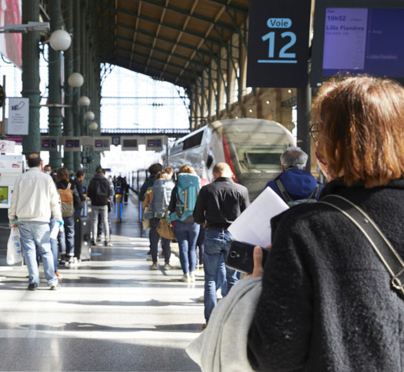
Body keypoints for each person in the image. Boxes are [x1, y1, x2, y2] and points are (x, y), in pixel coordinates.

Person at [247, 76, 404, 371]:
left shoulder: (303, 229)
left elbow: (275, 354)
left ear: (335, 144)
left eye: (319, 130)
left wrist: (253, 287)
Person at [193, 162, 249, 324]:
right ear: (230, 174)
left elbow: (197, 217)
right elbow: (247, 215)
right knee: (233, 279)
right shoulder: (241, 190)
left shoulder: (207, 190)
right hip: (234, 236)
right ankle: (230, 319)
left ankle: (210, 320)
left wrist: (204, 221)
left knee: (210, 278)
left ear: (215, 174)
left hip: (212, 234)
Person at [9, 154, 62, 290]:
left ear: (27, 163)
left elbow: (14, 200)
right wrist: (58, 218)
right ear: (41, 164)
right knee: (46, 250)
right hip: (41, 220)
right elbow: (54, 201)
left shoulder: (20, 178)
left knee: (29, 251)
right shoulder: (47, 178)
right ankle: (51, 281)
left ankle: (33, 281)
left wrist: (12, 218)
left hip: (24, 220)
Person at [168, 165, 202, 282]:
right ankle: (192, 274)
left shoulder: (177, 187)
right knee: (193, 248)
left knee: (183, 248)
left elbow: (171, 206)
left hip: (180, 220)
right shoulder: (198, 186)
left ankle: (185, 274)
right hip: (195, 222)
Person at [142, 172, 174, 270]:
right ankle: (167, 263)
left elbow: (144, 205)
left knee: (154, 241)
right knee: (166, 241)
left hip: (155, 218)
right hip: (166, 218)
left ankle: (155, 263)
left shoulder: (151, 189)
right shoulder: (172, 188)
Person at [55, 167, 81, 266]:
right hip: (69, 213)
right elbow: (77, 199)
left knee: (61, 234)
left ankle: (62, 257)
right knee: (70, 233)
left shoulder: (55, 186)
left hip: (58, 212)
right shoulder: (71, 185)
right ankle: (70, 256)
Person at [87, 167, 113, 246]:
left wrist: (93, 198)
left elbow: (89, 193)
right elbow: (110, 192)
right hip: (104, 204)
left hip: (95, 204)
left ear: (96, 172)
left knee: (95, 221)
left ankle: (93, 239)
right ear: (102, 173)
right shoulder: (106, 181)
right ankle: (107, 240)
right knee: (105, 221)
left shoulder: (92, 181)